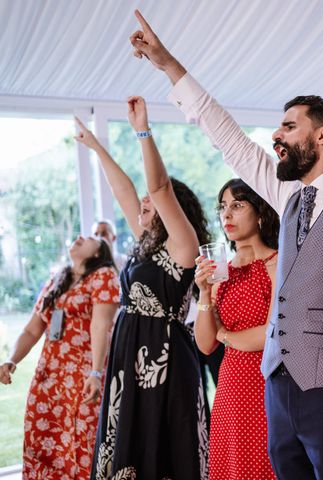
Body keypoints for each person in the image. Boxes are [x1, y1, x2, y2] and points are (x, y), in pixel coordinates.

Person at [129, 11, 323, 479]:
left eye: (288, 127)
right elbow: (227, 137)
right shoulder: (286, 195)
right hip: (278, 393)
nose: (276, 137)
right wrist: (168, 66)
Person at [74, 97, 210, 479]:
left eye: (151, 203)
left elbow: (159, 186)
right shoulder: (145, 243)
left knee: (163, 443)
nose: (144, 204)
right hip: (128, 351)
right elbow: (125, 191)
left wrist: (142, 132)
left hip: (163, 357)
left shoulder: (183, 245)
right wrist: (96, 147)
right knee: (128, 441)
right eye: (144, 203)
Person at [0, 236, 120, 479]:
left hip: (83, 377)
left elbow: (101, 326)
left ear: (99, 253)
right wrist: (12, 360)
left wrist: (96, 372)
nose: (80, 237)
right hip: (49, 377)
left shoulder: (104, 275)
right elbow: (32, 329)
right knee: (43, 443)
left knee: (81, 443)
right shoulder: (57, 279)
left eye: (90, 238)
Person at [194, 178, 279, 479]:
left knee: (268, 465)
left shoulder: (278, 263)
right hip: (231, 387)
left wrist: (225, 334)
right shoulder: (220, 273)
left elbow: (271, 335)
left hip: (269, 382)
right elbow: (205, 345)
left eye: (238, 206)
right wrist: (204, 292)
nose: (226, 215)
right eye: (223, 207)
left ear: (260, 213)